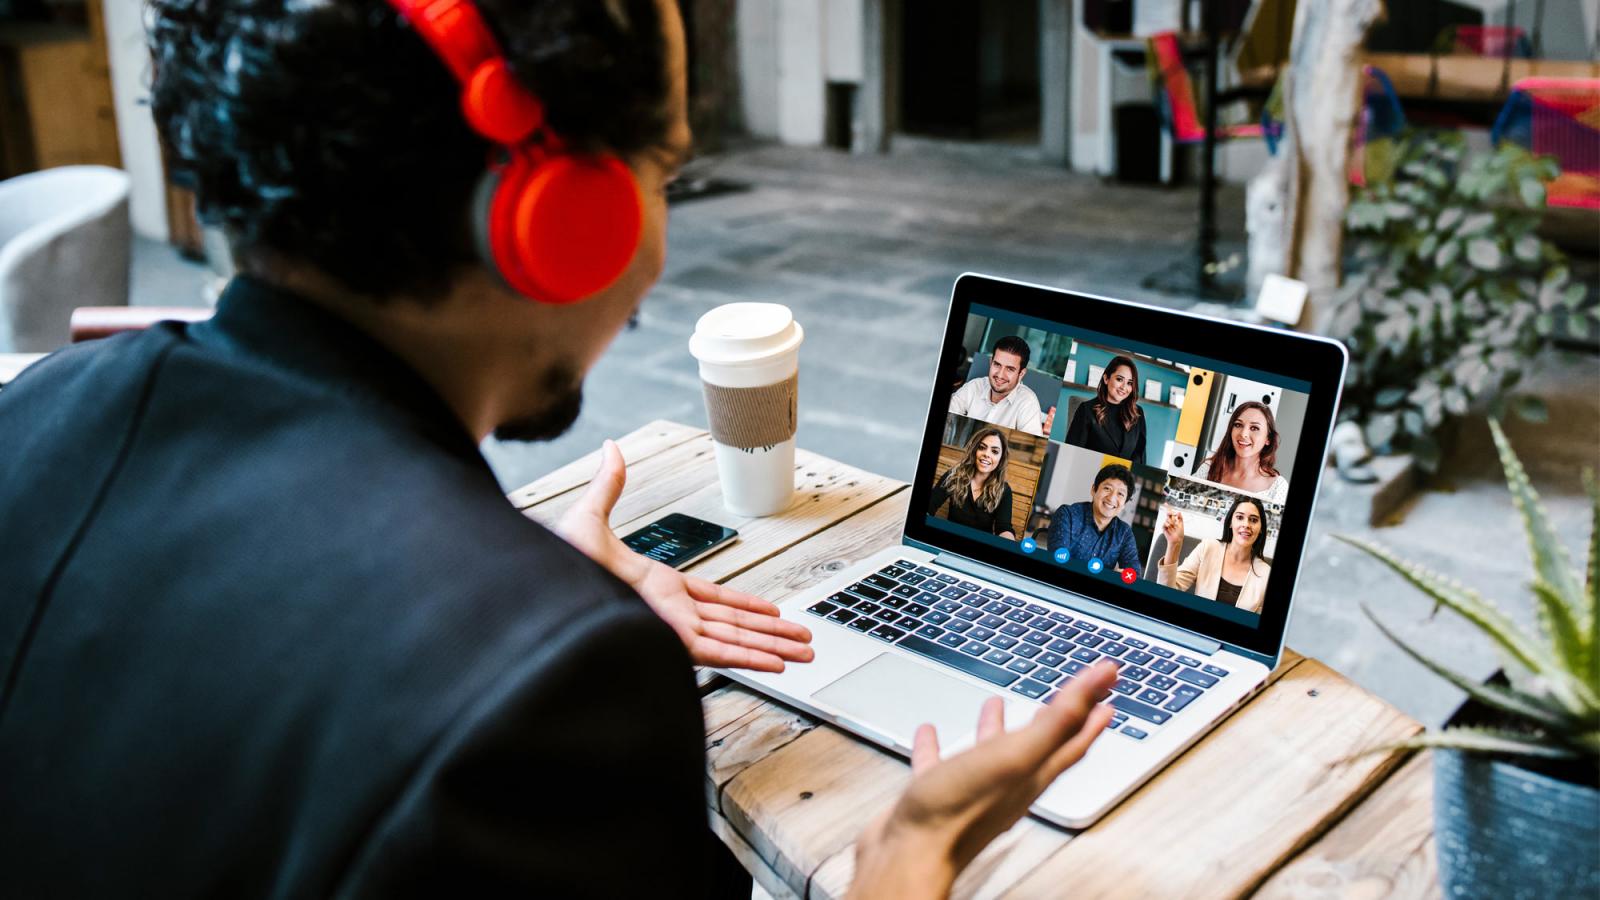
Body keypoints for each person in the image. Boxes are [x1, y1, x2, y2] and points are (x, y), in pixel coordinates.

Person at [0, 0, 1118, 896]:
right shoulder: (554, 685)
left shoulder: (36, 414)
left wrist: (513, 583)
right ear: (558, 211)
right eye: (663, 172)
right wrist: (906, 855)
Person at [1155, 496, 1274, 613]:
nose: (1246, 524)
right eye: (1239, 517)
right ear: (1230, 523)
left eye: (1253, 520)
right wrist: (1174, 544)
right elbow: (1166, 592)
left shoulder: (1266, 575)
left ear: (1261, 528)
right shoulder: (1208, 548)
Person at [1045, 463, 1142, 576]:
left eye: (1120, 494)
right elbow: (1057, 560)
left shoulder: (1124, 533)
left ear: (1124, 503)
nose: (1111, 498)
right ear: (1093, 490)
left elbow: (1134, 573)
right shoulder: (1067, 515)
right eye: (1107, 488)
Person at [948, 335, 1055, 436]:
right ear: (991, 362)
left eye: (1010, 369)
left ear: (1021, 373)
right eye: (997, 364)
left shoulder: (1028, 403)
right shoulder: (974, 386)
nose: (1000, 375)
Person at [928, 427, 1018, 539]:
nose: (987, 454)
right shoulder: (954, 476)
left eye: (994, 451)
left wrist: (1008, 541)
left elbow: (1004, 528)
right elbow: (929, 507)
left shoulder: (1004, 490)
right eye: (982, 447)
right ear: (974, 450)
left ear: (1001, 458)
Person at [1193, 401, 1290, 503]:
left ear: (1268, 439)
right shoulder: (1208, 468)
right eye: (1238, 425)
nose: (1243, 434)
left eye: (1254, 428)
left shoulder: (1278, 487)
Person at [1063, 354, 1147, 463]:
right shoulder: (1086, 410)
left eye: (1130, 383)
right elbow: (1071, 454)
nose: (1124, 387)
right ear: (1106, 378)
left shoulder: (1137, 413)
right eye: (1119, 379)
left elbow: (1140, 456)